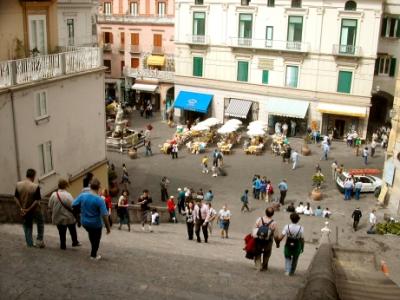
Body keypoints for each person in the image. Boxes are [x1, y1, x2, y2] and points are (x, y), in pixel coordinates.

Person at [72, 178, 110, 260]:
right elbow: (105, 216)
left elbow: (74, 204)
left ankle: (93, 250)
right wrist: (108, 228)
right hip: (96, 224)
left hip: (84, 222)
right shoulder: (100, 200)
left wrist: (78, 216)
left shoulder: (82, 195)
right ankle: (93, 255)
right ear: (99, 187)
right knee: (96, 239)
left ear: (90, 186)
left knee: (91, 234)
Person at [14, 168, 45, 248]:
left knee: (27, 225)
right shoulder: (35, 186)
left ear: (26, 175)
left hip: (23, 209)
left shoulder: (18, 184)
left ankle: (29, 243)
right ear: (33, 176)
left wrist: (21, 208)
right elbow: (37, 200)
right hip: (35, 210)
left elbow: (15, 198)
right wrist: (29, 209)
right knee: (40, 223)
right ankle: (39, 241)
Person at [48, 179, 80, 250]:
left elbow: (50, 206)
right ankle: (74, 241)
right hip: (68, 217)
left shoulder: (54, 194)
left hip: (57, 217)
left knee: (61, 232)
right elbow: (73, 206)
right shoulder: (68, 195)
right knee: (72, 228)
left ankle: (63, 245)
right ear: (65, 186)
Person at [253, 207, 279, 272]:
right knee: (267, 253)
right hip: (268, 241)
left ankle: (258, 266)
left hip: (258, 239)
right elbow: (276, 235)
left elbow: (255, 229)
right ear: (273, 214)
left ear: (265, 212)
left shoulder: (259, 219)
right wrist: (277, 243)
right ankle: (264, 266)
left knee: (258, 252)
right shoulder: (274, 223)